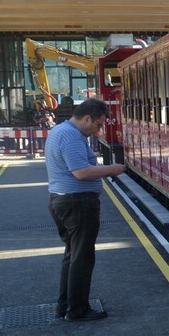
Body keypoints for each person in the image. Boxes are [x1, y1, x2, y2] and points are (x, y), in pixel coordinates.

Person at [45, 98, 126, 321]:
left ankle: (65, 306)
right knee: (82, 258)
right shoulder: (71, 136)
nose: (99, 130)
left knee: (72, 256)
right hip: (77, 203)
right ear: (87, 118)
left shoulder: (60, 130)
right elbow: (81, 172)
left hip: (64, 200)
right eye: (98, 125)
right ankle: (77, 310)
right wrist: (112, 169)